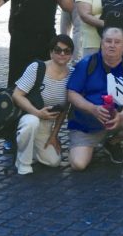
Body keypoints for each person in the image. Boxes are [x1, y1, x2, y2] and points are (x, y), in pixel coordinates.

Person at [67, 27, 123, 170]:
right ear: (102, 43)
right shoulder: (87, 64)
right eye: (108, 41)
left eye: (117, 42)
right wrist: (93, 109)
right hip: (86, 125)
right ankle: (85, 144)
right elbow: (71, 93)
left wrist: (121, 116)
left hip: (115, 121)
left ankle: (112, 142)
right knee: (78, 165)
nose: (112, 45)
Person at [12, 34, 74, 175]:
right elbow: (17, 95)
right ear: (51, 52)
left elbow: (65, 110)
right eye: (58, 50)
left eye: (67, 51)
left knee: (54, 162)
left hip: (46, 126)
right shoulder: (37, 68)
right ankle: (23, 162)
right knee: (31, 123)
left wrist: (54, 135)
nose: (62, 54)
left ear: (71, 54)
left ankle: (30, 147)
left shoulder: (72, 75)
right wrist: (37, 113)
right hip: (28, 116)